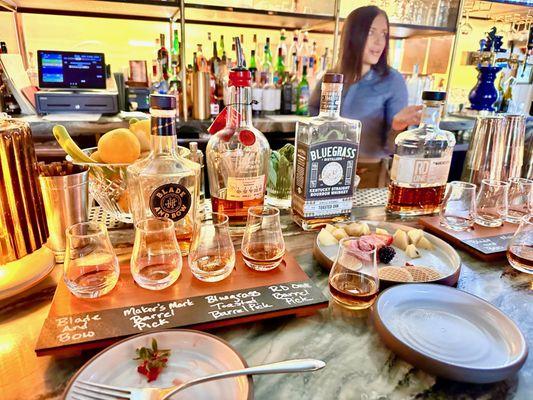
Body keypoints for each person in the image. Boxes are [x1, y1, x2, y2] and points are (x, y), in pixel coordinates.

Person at [309, 6, 422, 183]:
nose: (379, 41)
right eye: (371, 32)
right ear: (353, 36)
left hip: (368, 173)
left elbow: (395, 149)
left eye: (384, 34)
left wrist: (398, 128)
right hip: (325, 170)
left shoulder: (392, 80)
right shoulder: (331, 78)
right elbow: (312, 124)